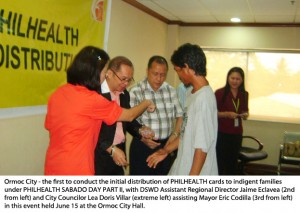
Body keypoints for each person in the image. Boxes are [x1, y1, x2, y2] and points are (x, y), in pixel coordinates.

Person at [44, 46, 155, 175]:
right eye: (104, 71)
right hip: (77, 167)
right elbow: (129, 116)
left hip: (54, 164)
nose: (105, 75)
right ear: (94, 73)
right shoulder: (92, 99)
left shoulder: (58, 94)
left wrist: (140, 130)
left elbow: (51, 127)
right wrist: (147, 102)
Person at [147, 43, 218, 175]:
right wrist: (167, 150)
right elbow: (187, 133)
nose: (178, 75)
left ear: (186, 67)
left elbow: (202, 147)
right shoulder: (192, 93)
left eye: (177, 70)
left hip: (195, 171)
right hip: (183, 164)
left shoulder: (204, 100)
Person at [94, 56, 154, 175]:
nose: (126, 84)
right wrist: (111, 149)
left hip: (119, 151)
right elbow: (92, 129)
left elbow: (127, 120)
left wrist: (140, 130)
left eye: (129, 80)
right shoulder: (96, 94)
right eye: (123, 79)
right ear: (109, 74)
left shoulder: (124, 93)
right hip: (100, 155)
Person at [129, 55, 183, 175]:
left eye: (163, 75)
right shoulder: (136, 91)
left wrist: (174, 134)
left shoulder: (171, 90)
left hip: (165, 146)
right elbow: (129, 120)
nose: (159, 78)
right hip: (142, 146)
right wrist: (142, 136)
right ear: (147, 71)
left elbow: (180, 116)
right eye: (155, 73)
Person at [215, 67, 249, 175]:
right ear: (228, 78)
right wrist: (226, 114)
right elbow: (212, 113)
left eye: (237, 79)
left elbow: (245, 111)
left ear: (242, 80)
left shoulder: (244, 94)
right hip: (222, 133)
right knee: (220, 162)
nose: (234, 81)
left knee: (233, 162)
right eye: (232, 78)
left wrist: (245, 115)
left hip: (237, 133)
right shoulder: (219, 93)